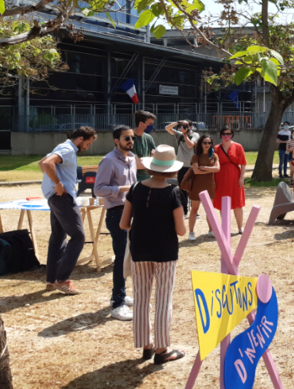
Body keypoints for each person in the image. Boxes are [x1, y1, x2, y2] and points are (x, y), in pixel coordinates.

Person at [119, 145, 186, 364]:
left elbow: (123, 223)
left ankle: (146, 346)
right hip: (165, 251)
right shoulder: (173, 192)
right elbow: (181, 230)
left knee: (141, 298)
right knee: (163, 299)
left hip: (140, 249)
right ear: (172, 171)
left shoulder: (136, 187)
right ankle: (162, 349)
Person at [39, 127, 97, 295]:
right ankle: (62, 279)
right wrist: (57, 183)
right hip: (62, 197)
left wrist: (53, 183)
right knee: (78, 236)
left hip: (56, 196)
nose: (87, 147)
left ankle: (51, 280)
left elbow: (42, 163)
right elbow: (47, 164)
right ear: (80, 139)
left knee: (58, 237)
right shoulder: (67, 149)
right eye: (87, 143)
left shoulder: (62, 147)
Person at [94, 125, 137, 320]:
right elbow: (99, 189)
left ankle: (122, 292)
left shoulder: (131, 158)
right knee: (121, 256)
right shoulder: (108, 161)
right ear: (116, 141)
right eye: (126, 138)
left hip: (132, 211)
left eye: (132, 138)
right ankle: (117, 302)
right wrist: (122, 188)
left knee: (130, 255)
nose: (130, 141)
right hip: (116, 212)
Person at [213, 127, 247, 235]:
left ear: (232, 135)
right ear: (221, 135)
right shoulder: (216, 148)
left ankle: (240, 227)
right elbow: (213, 164)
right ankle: (225, 227)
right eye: (224, 134)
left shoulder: (238, 146)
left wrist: (241, 178)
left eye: (228, 134)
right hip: (220, 178)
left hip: (234, 177)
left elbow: (243, 163)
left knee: (237, 203)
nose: (226, 136)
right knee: (222, 203)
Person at [187, 134, 220, 240]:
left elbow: (218, 169)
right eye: (205, 142)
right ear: (200, 144)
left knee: (210, 210)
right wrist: (210, 169)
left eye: (209, 143)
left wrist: (204, 168)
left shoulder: (214, 156)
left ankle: (211, 230)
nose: (207, 145)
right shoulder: (196, 156)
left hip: (210, 185)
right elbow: (196, 171)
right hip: (197, 186)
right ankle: (191, 232)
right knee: (194, 210)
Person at [165, 119, 199, 215]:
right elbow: (167, 128)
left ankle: (194, 210)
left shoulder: (195, 135)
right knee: (182, 188)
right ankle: (184, 210)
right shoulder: (179, 134)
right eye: (183, 126)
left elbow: (190, 145)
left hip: (192, 166)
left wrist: (185, 134)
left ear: (191, 127)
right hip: (181, 166)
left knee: (193, 188)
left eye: (186, 125)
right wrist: (178, 122)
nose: (184, 127)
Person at [132, 111, 157, 182]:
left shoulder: (148, 138)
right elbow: (137, 165)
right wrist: (151, 158)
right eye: (150, 124)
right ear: (141, 124)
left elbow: (157, 159)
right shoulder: (129, 140)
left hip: (149, 180)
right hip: (135, 181)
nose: (152, 126)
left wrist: (144, 160)